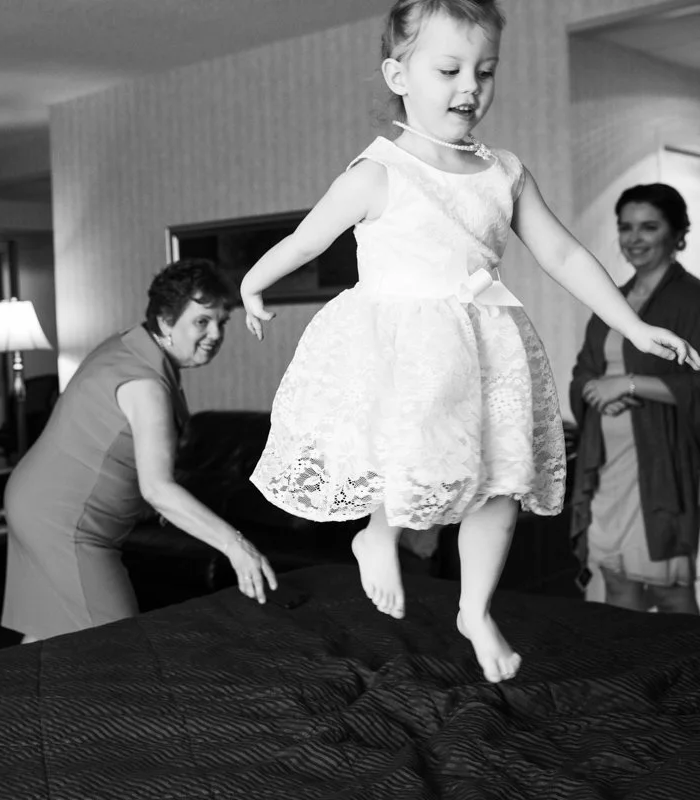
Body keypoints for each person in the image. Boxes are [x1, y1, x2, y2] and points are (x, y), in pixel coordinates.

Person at [240, 0, 700, 683]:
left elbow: (563, 254)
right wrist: (253, 281)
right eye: (450, 70)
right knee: (415, 455)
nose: (470, 87)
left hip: (487, 345)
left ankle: (475, 609)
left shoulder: (504, 172)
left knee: (503, 484)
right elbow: (308, 239)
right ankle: (379, 534)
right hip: (410, 348)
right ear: (398, 76)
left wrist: (632, 324)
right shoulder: (377, 172)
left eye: (485, 72)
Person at [2, 259, 278, 644]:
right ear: (165, 321)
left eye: (222, 322)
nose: (216, 334)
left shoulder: (133, 345)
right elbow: (157, 488)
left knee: (47, 644)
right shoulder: (144, 383)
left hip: (37, 502)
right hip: (64, 523)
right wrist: (236, 546)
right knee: (121, 645)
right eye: (202, 321)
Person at [571, 184, 700, 614]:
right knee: (617, 584)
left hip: (660, 467)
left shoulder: (693, 299)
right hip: (606, 465)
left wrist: (628, 385)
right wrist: (595, 392)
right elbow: (584, 371)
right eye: (626, 227)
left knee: (670, 592)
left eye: (649, 227)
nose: (634, 238)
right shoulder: (613, 300)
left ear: (677, 233)